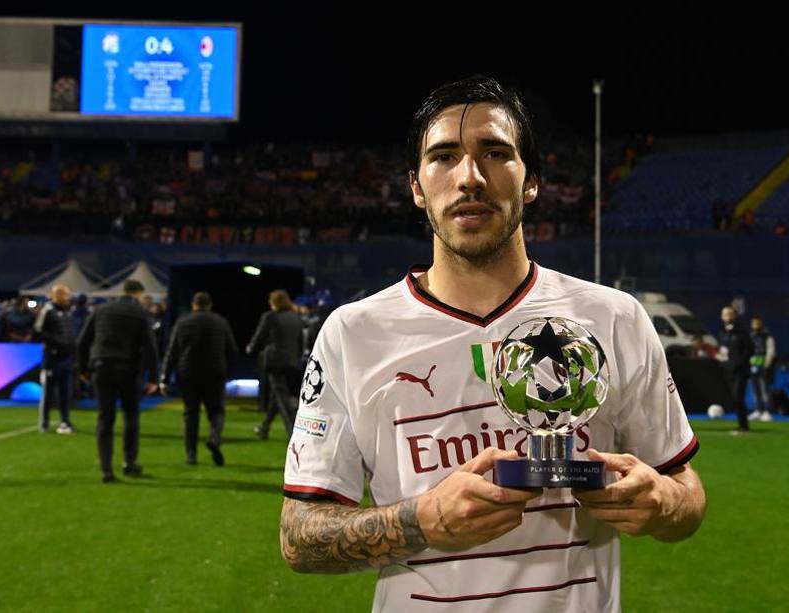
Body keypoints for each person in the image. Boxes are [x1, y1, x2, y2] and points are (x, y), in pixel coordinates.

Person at [279, 76, 705, 612]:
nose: (470, 177)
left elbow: (686, 493)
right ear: (416, 186)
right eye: (444, 156)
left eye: (495, 153)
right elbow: (299, 538)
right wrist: (423, 521)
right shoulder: (353, 334)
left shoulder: (614, 319)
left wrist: (662, 501)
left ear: (531, 182)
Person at [77, 279, 159, 483]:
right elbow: (150, 347)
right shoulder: (140, 313)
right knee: (131, 417)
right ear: (139, 294)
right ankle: (129, 463)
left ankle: (106, 469)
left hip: (102, 367)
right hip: (128, 369)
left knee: (105, 418)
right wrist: (154, 377)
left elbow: (83, 341)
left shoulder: (102, 310)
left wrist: (83, 369)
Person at [160, 291, 238, 466]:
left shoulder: (183, 322)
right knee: (217, 411)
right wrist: (229, 372)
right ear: (209, 305)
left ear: (193, 305)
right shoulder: (220, 322)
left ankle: (191, 455)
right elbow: (232, 349)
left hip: (188, 373)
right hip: (215, 373)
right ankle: (214, 438)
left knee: (190, 414)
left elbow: (172, 351)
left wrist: (164, 377)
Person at [248, 289, 304, 439]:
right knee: (277, 396)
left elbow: (260, 335)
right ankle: (264, 428)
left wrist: (251, 348)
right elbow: (301, 342)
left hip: (275, 362)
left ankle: (294, 432)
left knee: (282, 397)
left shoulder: (270, 317)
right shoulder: (296, 318)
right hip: (292, 361)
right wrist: (297, 359)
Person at [34, 284, 77, 434]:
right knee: (49, 392)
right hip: (52, 358)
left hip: (67, 358)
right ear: (57, 295)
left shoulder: (68, 312)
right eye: (65, 295)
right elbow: (38, 331)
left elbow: (70, 333)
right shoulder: (47, 310)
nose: (68, 298)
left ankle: (65, 421)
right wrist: (55, 344)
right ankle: (44, 422)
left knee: (66, 391)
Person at [719, 305, 753, 432]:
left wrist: (739, 363)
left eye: (729, 314)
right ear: (722, 317)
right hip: (729, 371)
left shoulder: (741, 331)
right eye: (725, 314)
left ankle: (744, 426)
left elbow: (750, 348)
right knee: (735, 399)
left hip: (740, 371)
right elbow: (724, 350)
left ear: (734, 316)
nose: (727, 316)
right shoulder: (723, 333)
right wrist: (723, 361)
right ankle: (742, 425)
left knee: (738, 397)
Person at [747, 316, 776, 422]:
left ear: (761, 323)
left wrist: (767, 364)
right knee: (755, 390)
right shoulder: (750, 336)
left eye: (757, 323)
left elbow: (771, 350)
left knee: (765, 389)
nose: (755, 325)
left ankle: (766, 411)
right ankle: (758, 410)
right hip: (753, 365)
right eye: (753, 323)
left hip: (764, 365)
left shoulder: (767, 336)